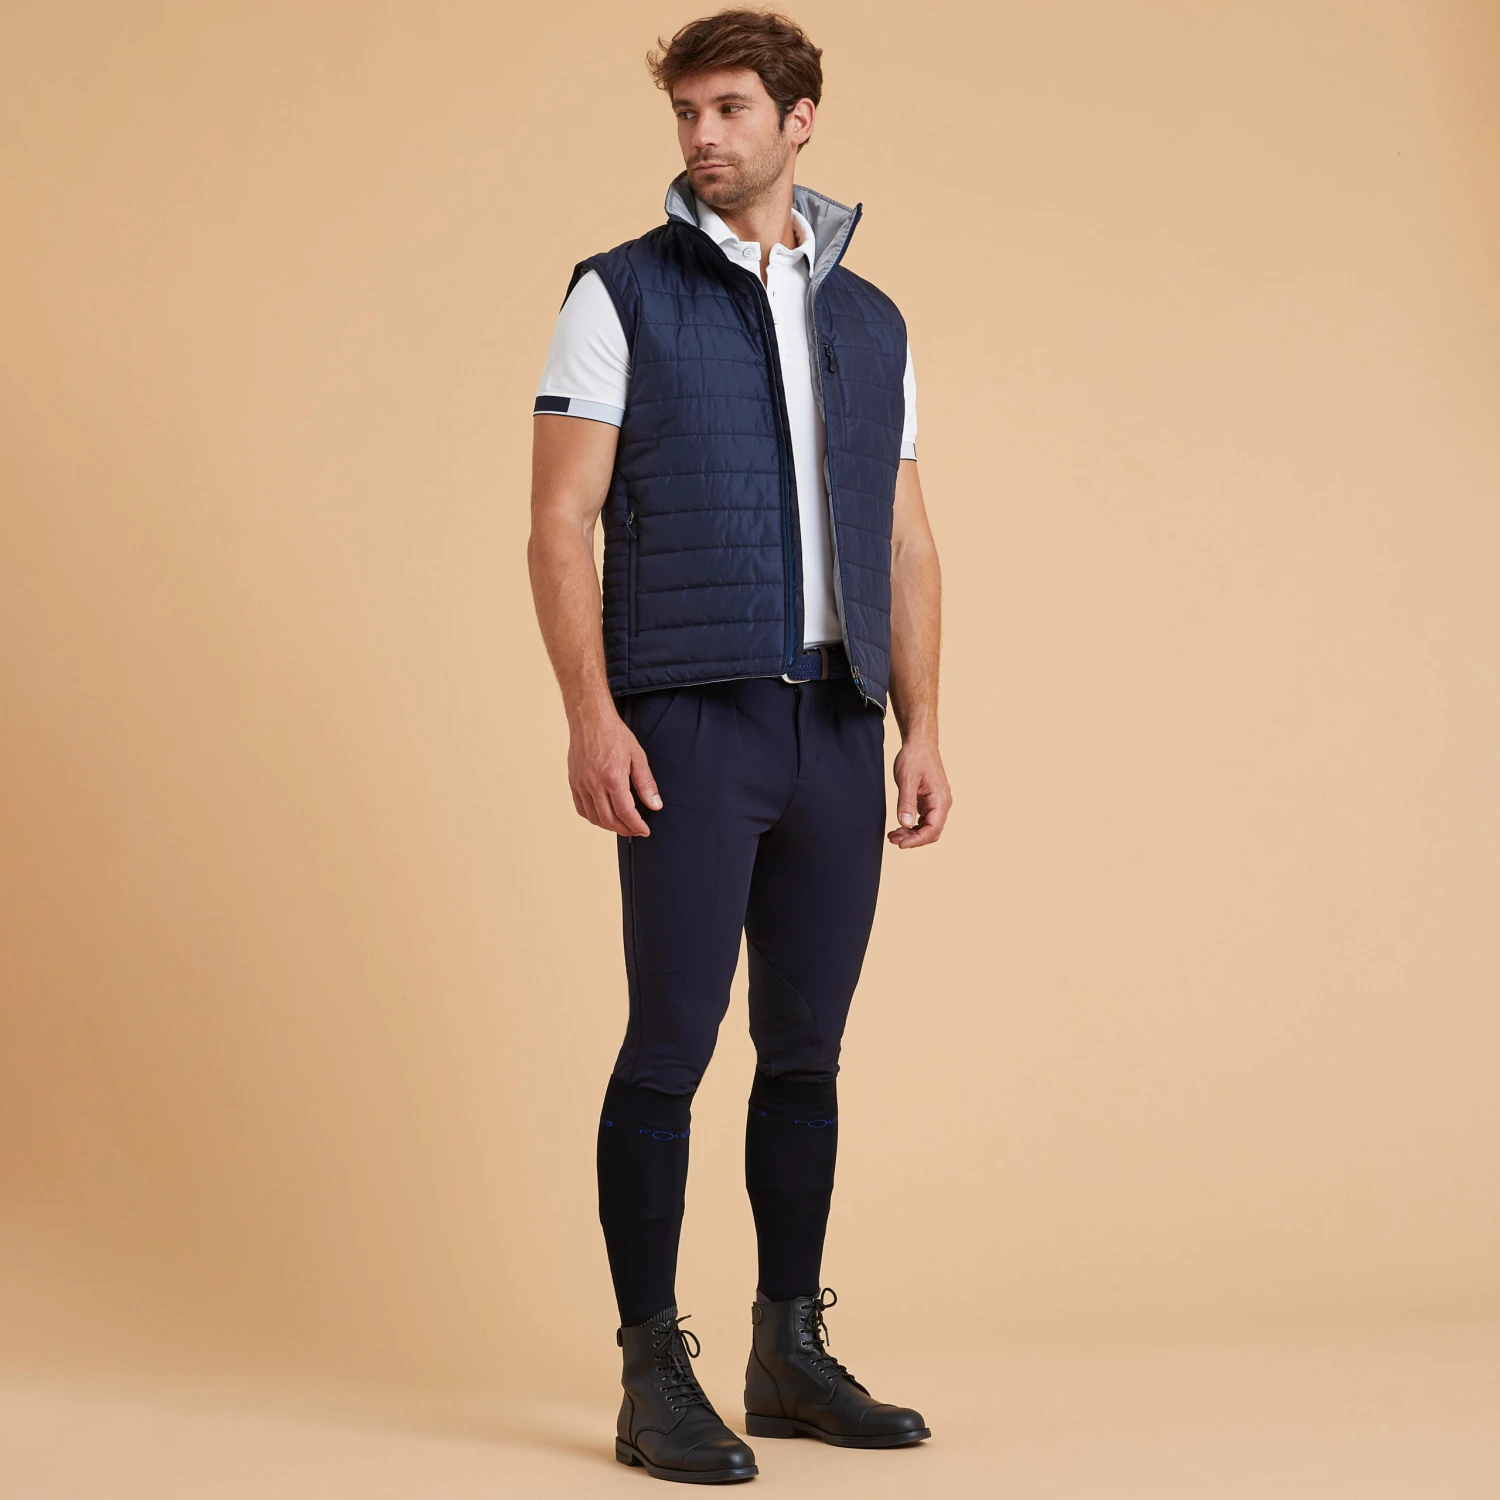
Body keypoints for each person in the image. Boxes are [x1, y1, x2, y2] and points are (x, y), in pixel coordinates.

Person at [527, 8, 950, 1484]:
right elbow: (559, 521)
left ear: (799, 119)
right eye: (686, 113)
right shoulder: (619, 293)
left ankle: (787, 1350)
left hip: (837, 723)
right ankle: (652, 1370)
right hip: (691, 721)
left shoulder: (872, 320)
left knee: (807, 1049)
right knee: (670, 1045)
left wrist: (924, 725)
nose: (701, 136)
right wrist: (592, 715)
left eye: (728, 109)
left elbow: (905, 536)